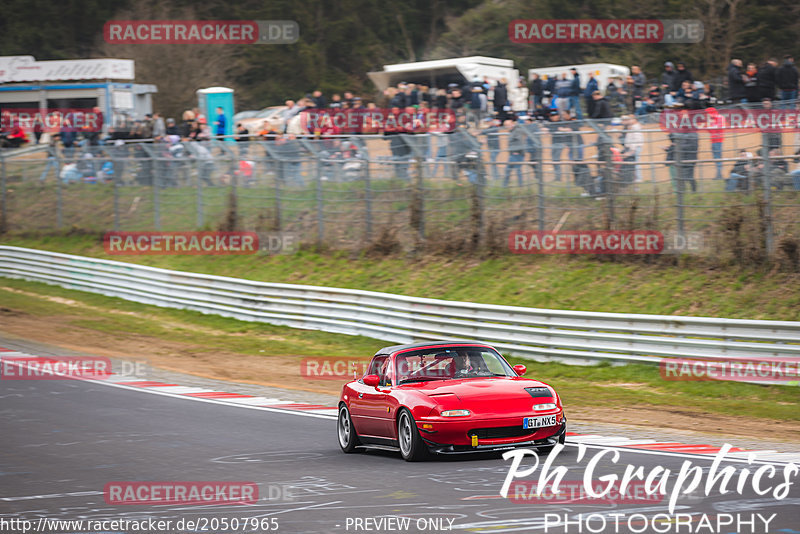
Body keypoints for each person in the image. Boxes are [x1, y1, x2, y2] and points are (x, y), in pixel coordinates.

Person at [621, 115, 644, 182]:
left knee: (636, 163)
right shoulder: (632, 127)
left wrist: (633, 150)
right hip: (632, 147)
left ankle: (639, 178)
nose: (629, 121)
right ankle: (636, 178)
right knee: (634, 163)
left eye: (630, 119)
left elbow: (636, 139)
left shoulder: (635, 127)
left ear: (635, 119)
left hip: (635, 148)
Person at [706, 107, 725, 180]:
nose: (707, 115)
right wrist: (710, 123)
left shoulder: (719, 117)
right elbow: (710, 131)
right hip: (713, 140)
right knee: (716, 158)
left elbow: (717, 128)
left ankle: (719, 175)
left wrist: (711, 123)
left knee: (718, 157)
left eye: (708, 113)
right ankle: (719, 174)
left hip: (718, 140)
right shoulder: (712, 119)